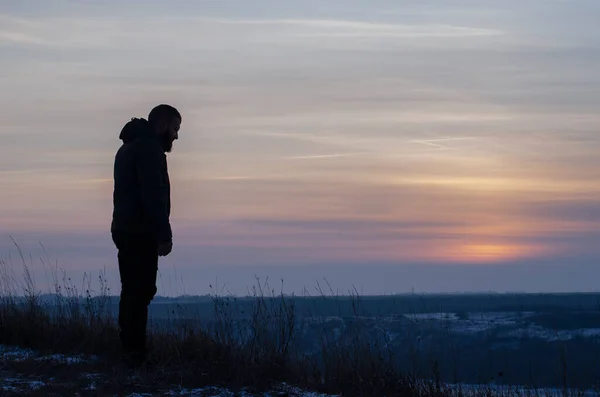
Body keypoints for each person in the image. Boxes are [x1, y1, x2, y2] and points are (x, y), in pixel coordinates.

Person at [111, 104, 181, 367]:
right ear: (162, 124)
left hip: (125, 228)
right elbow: (153, 196)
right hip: (139, 231)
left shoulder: (127, 147)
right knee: (140, 291)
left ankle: (131, 348)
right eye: (175, 128)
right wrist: (164, 236)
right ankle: (134, 353)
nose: (176, 136)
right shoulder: (149, 150)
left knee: (133, 290)